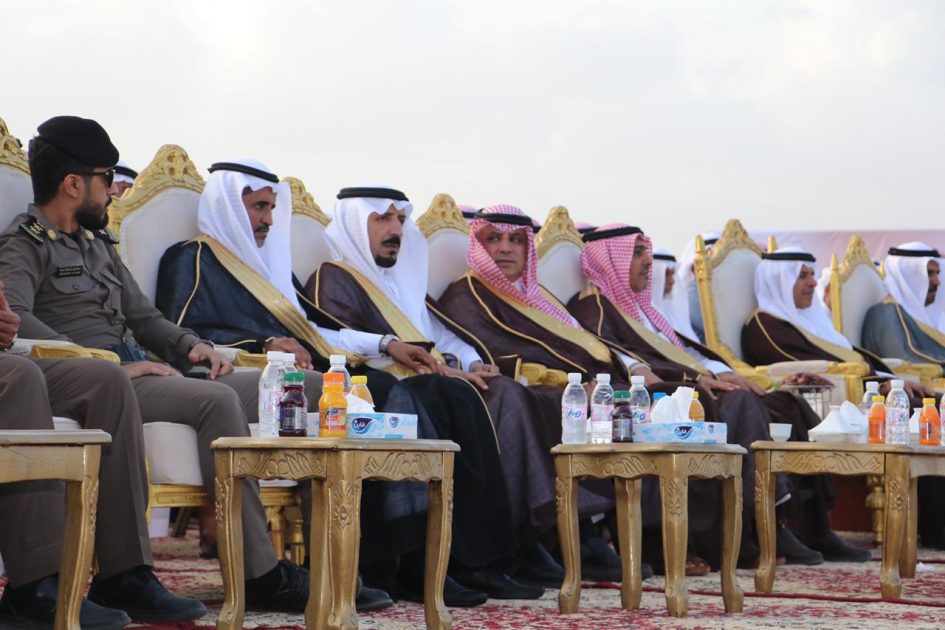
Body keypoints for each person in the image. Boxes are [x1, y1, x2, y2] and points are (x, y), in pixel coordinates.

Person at [0, 116, 312, 616]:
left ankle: (342, 561)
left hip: (144, 370)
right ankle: (258, 574)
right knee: (216, 400)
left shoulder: (98, 244)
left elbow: (143, 317)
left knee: (301, 384)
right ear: (74, 184)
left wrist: (192, 346)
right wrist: (105, 362)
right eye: (106, 179)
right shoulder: (25, 242)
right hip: (98, 378)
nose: (112, 191)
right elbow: (16, 319)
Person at [437, 205, 720, 576]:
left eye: (515, 240)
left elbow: (588, 344)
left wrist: (603, 378)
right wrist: (569, 381)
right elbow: (493, 353)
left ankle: (641, 539)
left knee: (648, 402)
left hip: (581, 382)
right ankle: (557, 536)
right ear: (479, 244)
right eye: (494, 238)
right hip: (537, 386)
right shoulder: (466, 294)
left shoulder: (538, 295)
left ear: (527, 249)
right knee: (561, 405)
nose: (505, 248)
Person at [570, 225, 868, 565]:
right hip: (661, 392)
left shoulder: (640, 309)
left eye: (645, 252)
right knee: (739, 403)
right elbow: (620, 358)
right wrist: (695, 378)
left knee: (788, 405)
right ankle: (744, 532)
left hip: (690, 384)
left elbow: (685, 351)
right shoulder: (594, 307)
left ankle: (809, 527)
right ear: (609, 259)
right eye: (636, 253)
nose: (647, 262)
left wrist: (722, 372)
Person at [304, 186, 545, 602]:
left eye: (400, 220)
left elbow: (441, 334)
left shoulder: (403, 278)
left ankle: (478, 561)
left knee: (463, 394)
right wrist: (390, 346)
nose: (395, 229)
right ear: (356, 224)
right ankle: (421, 563)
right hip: (368, 386)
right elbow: (329, 340)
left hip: (419, 379)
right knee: (441, 395)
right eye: (382, 219)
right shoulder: (334, 278)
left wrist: (470, 362)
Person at [862, 243, 945, 366]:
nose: (937, 281)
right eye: (929, 273)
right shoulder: (884, 313)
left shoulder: (930, 314)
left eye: (937, 273)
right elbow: (906, 360)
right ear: (907, 275)